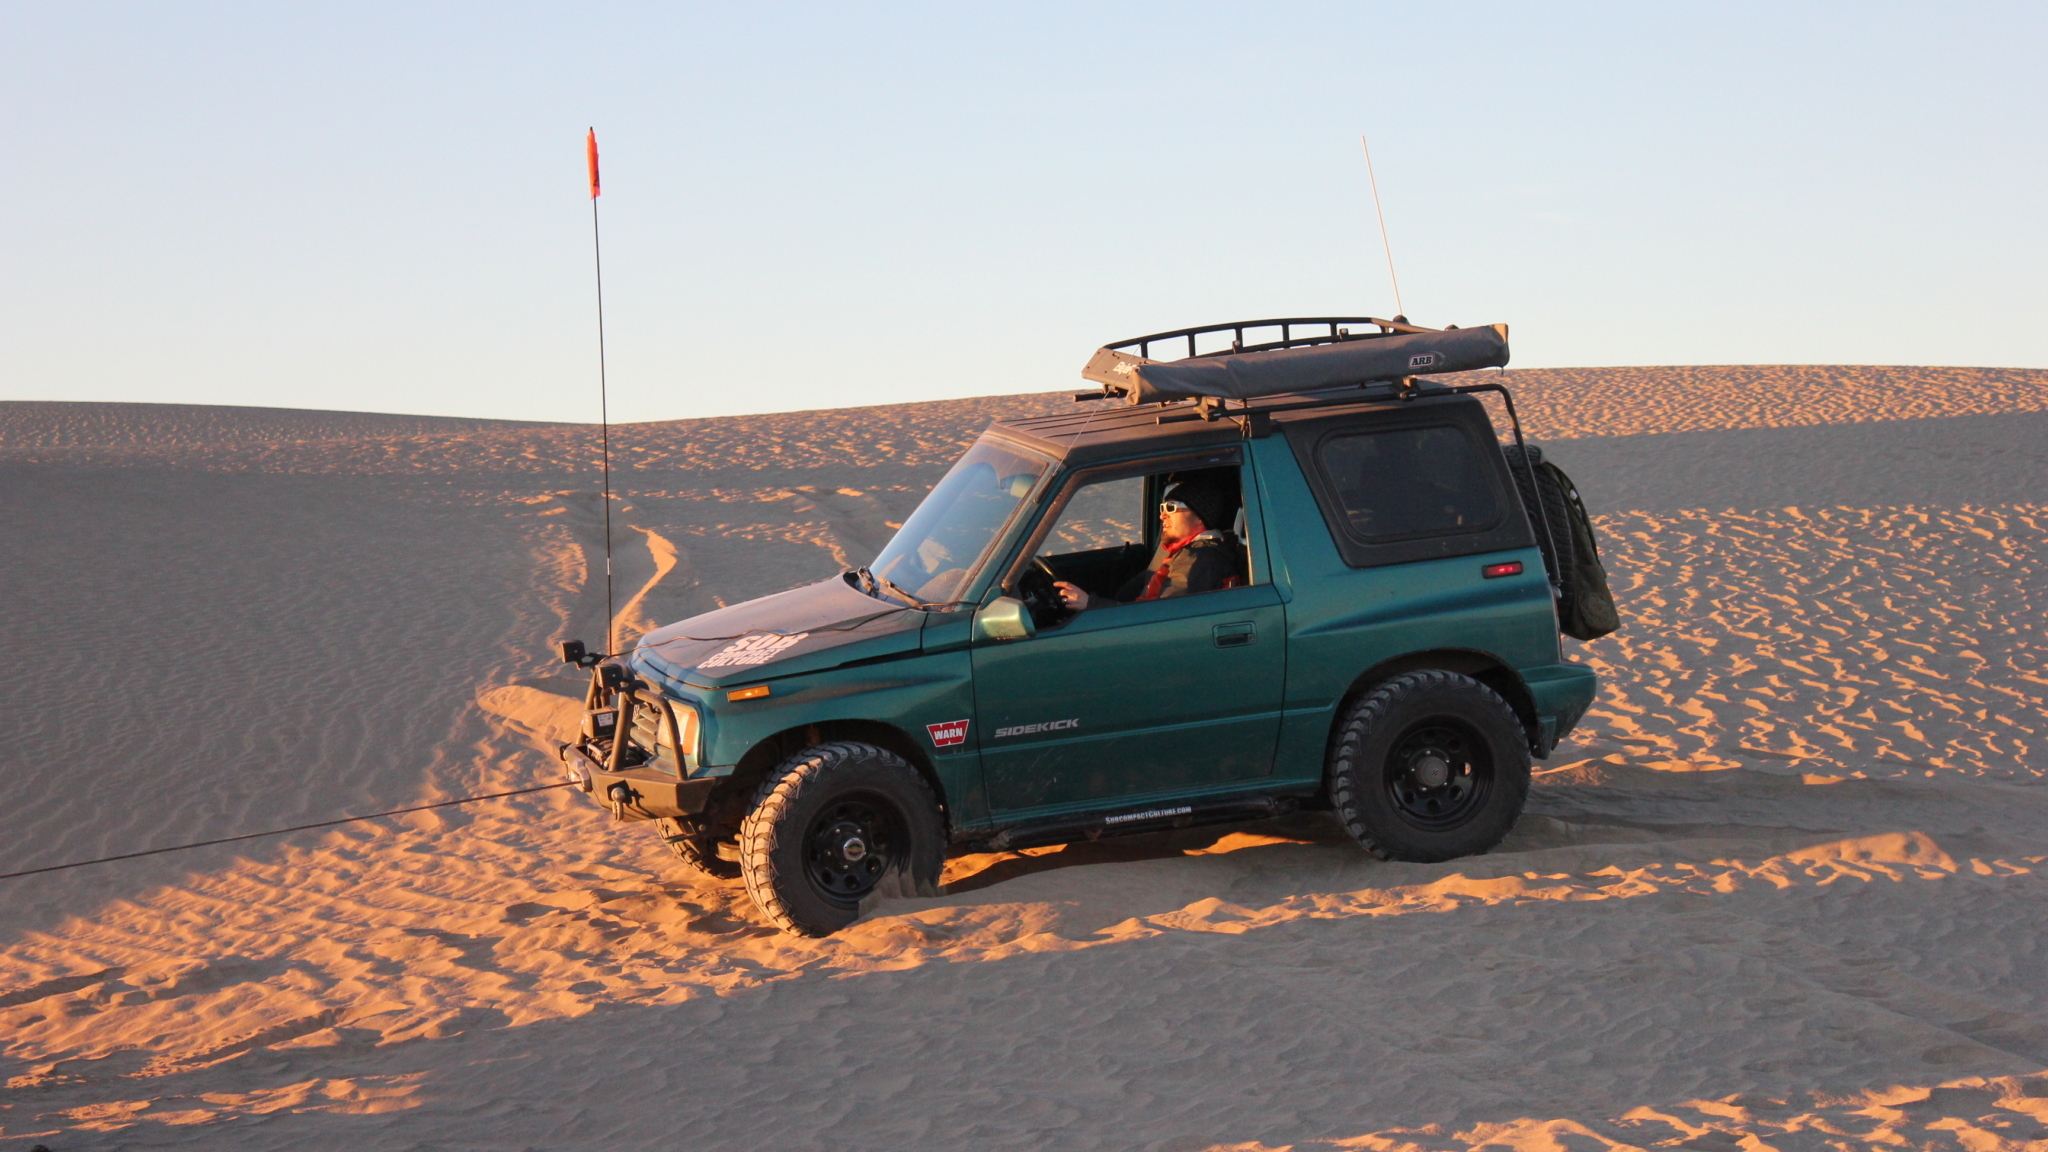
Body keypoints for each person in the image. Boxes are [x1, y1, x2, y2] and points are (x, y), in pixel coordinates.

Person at [1056, 478, 1244, 611]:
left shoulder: (1200, 560)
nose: (1162, 515)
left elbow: (1159, 616)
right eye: (1163, 508)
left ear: (1199, 517)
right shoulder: (1181, 552)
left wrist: (1091, 605)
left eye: (1172, 508)